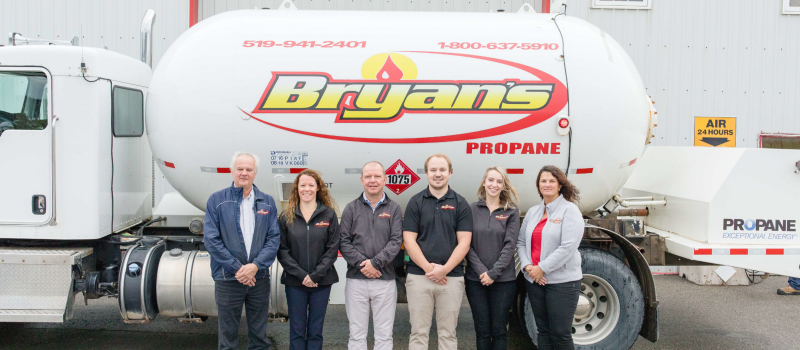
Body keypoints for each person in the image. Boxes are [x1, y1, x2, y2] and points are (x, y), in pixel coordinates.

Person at [203, 151, 281, 350]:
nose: (244, 173)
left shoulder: (267, 201)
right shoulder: (216, 200)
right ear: (232, 172)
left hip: (259, 278)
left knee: (259, 336)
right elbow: (212, 240)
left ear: (255, 173)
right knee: (227, 338)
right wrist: (239, 269)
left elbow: (273, 239)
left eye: (249, 169)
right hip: (228, 279)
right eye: (240, 169)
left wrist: (255, 267)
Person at [403, 154, 473, 350]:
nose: (437, 174)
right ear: (426, 174)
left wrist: (444, 270)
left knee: (448, 334)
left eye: (442, 170)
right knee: (418, 333)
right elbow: (409, 240)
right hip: (419, 277)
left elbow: (464, 243)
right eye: (433, 170)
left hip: (451, 278)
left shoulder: (461, 203)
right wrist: (430, 270)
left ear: (450, 173)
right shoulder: (415, 202)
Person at [517, 165, 584, 350]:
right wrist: (528, 266)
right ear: (538, 186)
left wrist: (542, 268)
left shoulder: (569, 211)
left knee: (560, 334)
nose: (547, 185)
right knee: (543, 331)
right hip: (535, 281)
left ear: (560, 185)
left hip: (562, 283)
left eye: (551, 181)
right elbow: (521, 242)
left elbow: (568, 246)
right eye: (543, 181)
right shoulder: (533, 212)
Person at [339, 161, 403, 350]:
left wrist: (375, 264)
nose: (372, 180)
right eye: (368, 176)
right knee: (357, 335)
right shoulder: (351, 208)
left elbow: (396, 241)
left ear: (385, 179)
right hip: (356, 281)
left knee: (384, 336)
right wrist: (364, 265)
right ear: (362, 180)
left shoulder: (394, 209)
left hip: (385, 281)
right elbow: (344, 241)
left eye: (377, 176)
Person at [277, 169, 340, 350]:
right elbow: (282, 250)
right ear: (297, 189)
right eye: (302, 185)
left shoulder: (328, 215)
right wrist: (301, 275)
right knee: (296, 329)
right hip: (295, 283)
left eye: (311, 185)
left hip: (322, 282)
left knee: (315, 330)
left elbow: (332, 248)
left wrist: (315, 276)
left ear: (318, 188)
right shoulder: (286, 216)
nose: (307, 189)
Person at [465, 166, 521, 350]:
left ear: (504, 186)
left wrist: (493, 273)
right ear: (484, 182)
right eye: (490, 180)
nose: (494, 185)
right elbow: (467, 245)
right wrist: (483, 272)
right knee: (482, 331)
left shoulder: (511, 212)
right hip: (476, 280)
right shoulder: (471, 210)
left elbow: (509, 245)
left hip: (504, 282)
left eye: (499, 181)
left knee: (499, 330)